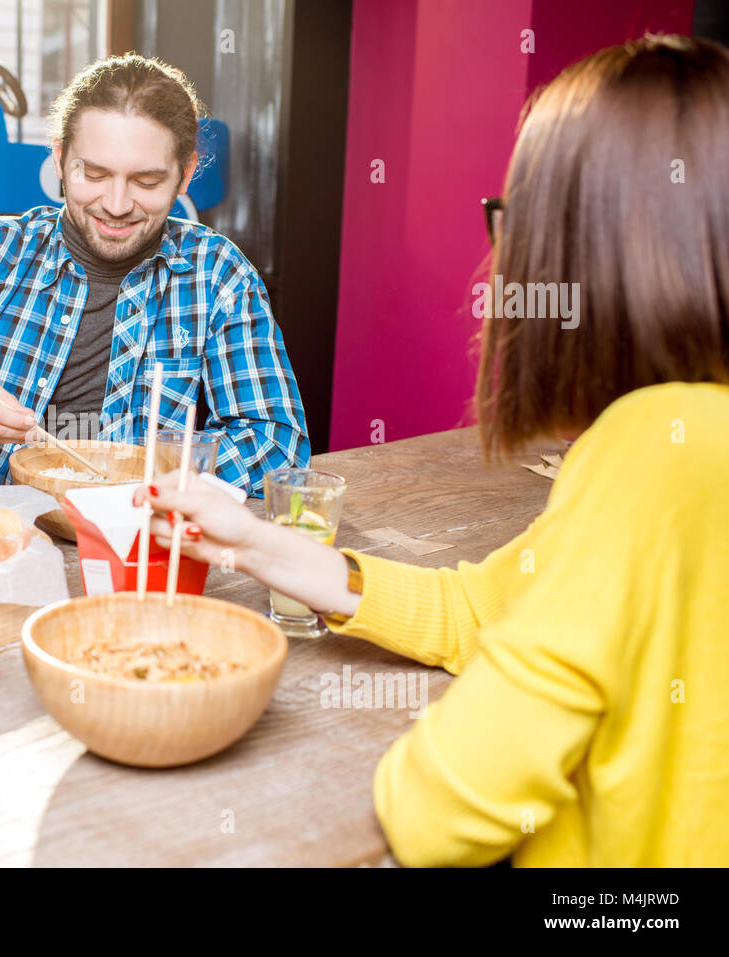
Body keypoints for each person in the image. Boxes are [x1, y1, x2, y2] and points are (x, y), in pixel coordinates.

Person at [137, 35, 729, 866]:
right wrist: (261, 544)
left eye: (515, 214)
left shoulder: (657, 449)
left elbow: (441, 805)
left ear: (593, 244)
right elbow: (485, 608)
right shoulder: (698, 437)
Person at [0, 54, 308, 494]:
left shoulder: (217, 274)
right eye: (93, 174)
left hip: (138, 554)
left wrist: (141, 482)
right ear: (58, 157)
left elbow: (277, 447)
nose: (116, 206)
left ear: (185, 172)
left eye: (147, 180)